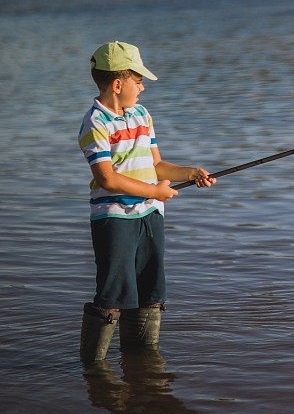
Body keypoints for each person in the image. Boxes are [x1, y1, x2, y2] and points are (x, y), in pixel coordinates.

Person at [78, 41, 215, 362]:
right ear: (117, 84)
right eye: (137, 80)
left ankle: (143, 362)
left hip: (150, 215)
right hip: (114, 219)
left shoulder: (141, 114)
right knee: (112, 293)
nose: (142, 87)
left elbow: (158, 166)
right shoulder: (95, 122)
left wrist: (192, 172)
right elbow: (106, 178)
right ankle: (94, 368)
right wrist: (156, 191)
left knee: (150, 290)